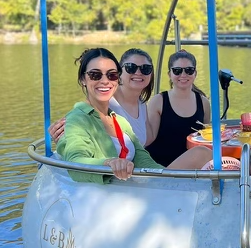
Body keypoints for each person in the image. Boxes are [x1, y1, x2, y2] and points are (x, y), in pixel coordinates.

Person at [56, 48, 212, 183]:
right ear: (83, 79)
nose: (105, 81)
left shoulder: (121, 119)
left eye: (111, 75)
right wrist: (109, 163)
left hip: (136, 187)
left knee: (203, 155)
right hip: (110, 192)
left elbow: (144, 160)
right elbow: (75, 161)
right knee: (201, 155)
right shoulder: (79, 118)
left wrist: (168, 177)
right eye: (95, 75)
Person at [49, 47, 155, 146]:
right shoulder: (106, 100)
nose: (138, 73)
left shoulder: (141, 104)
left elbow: (145, 140)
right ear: (120, 72)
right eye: (131, 68)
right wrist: (61, 135)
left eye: (145, 68)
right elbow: (77, 120)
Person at [146, 49, 211, 167]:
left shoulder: (203, 102)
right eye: (177, 71)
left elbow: (206, 138)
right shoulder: (158, 101)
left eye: (189, 70)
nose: (183, 75)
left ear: (195, 73)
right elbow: (148, 139)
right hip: (162, 169)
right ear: (169, 74)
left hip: (192, 168)